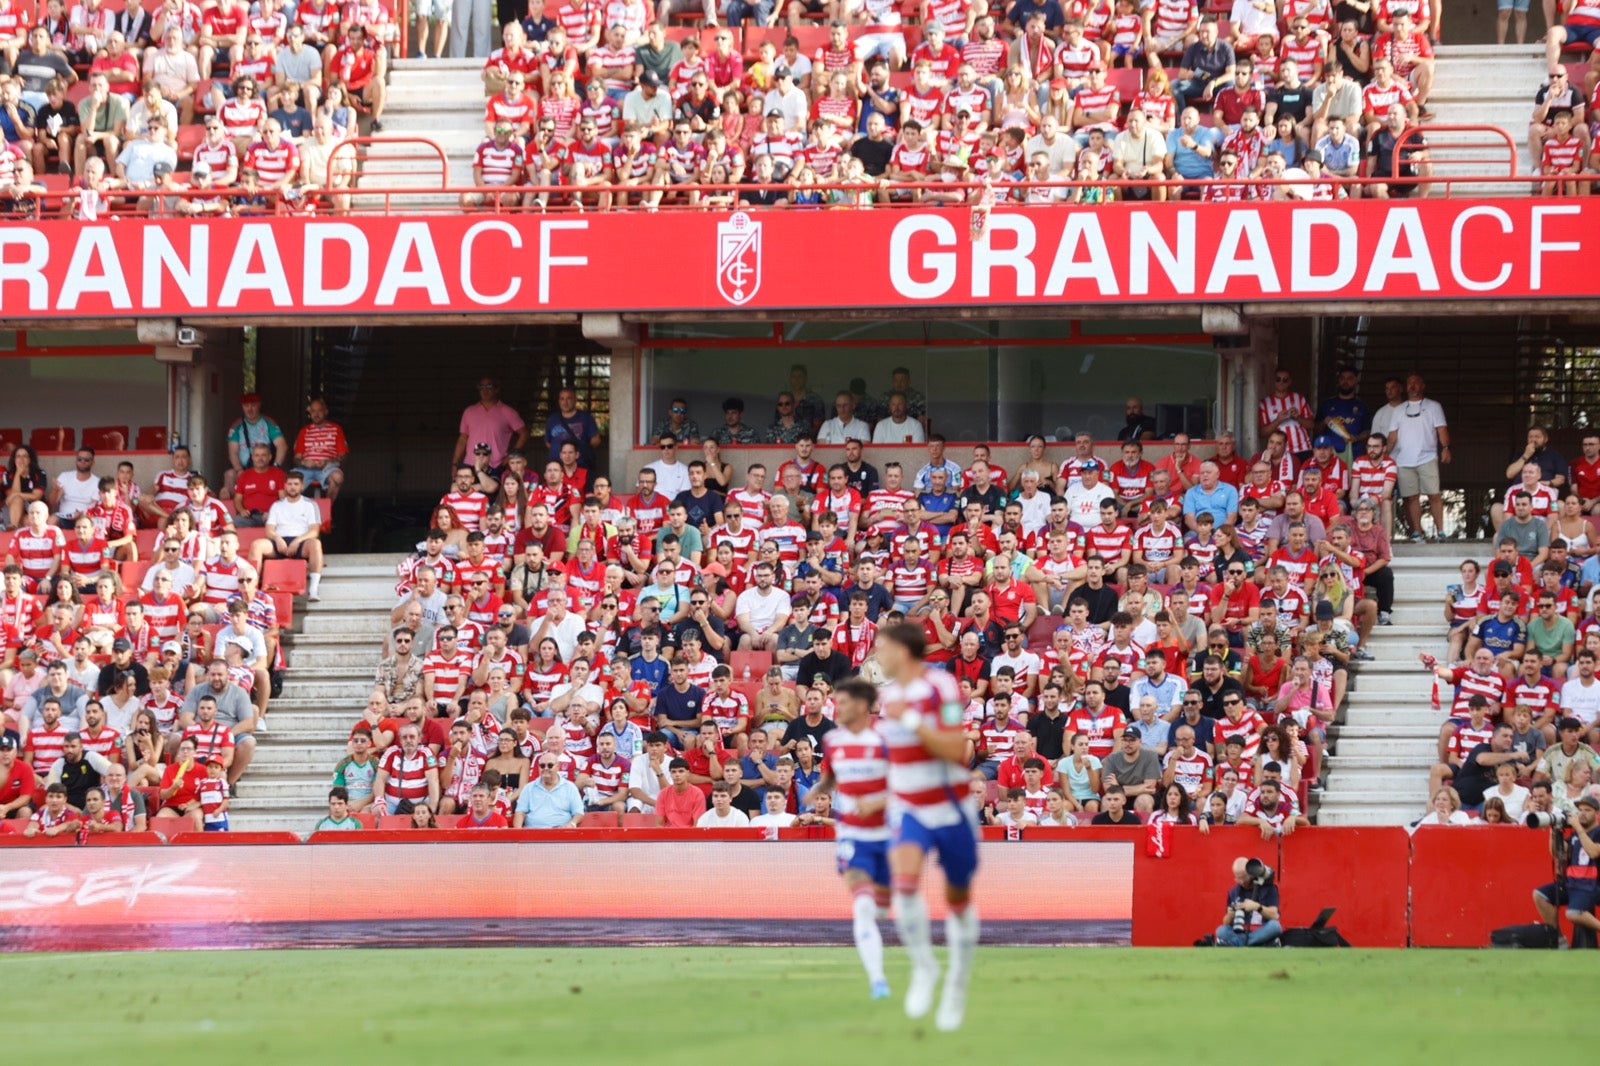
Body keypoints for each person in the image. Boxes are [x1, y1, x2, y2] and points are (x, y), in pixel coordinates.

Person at [874, 621, 977, 1031]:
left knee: (958, 896)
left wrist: (914, 722)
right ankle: (924, 967)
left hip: (950, 806)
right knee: (904, 883)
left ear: (904, 651)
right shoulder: (888, 696)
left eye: (883, 648)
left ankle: (957, 981)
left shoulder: (942, 687)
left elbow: (955, 748)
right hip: (909, 807)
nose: (877, 655)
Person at [811, 676, 892, 997]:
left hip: (886, 835)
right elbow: (829, 778)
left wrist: (876, 801)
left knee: (882, 906)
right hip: (852, 835)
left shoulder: (884, 740)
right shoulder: (832, 741)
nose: (837, 708)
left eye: (843, 703)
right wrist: (818, 791)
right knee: (861, 906)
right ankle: (878, 980)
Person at [1533, 793, 1600, 946]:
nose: (1582, 813)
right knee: (1539, 895)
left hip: (1592, 885)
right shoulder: (1576, 834)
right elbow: (1557, 852)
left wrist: (1578, 829)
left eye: (1587, 810)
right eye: (1580, 810)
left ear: (1597, 814)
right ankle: (1559, 939)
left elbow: (1594, 852)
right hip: (1572, 884)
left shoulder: (1596, 832)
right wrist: (1553, 830)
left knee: (1573, 914)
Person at [1213, 855, 1282, 946]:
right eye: (1238, 878)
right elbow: (1225, 922)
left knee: (1275, 926)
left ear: (1251, 874)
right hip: (1240, 931)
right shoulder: (1233, 892)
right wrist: (1230, 914)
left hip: (1261, 929)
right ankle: (1250, 943)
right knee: (1221, 931)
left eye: (1244, 878)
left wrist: (1257, 907)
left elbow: (1274, 915)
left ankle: (1239, 943)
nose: (1241, 881)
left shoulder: (1269, 888)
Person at [513, 751, 584, 827]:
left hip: (561, 833)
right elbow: (520, 812)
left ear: (558, 766)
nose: (546, 768)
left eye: (550, 765)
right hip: (533, 833)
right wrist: (518, 834)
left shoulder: (570, 787)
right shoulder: (528, 788)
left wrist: (572, 824)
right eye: (542, 766)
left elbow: (579, 813)